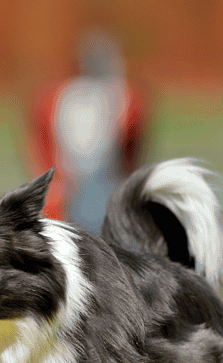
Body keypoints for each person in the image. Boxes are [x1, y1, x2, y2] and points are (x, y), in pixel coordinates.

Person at [26, 30, 149, 231]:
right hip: (107, 196)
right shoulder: (127, 96)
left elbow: (39, 144)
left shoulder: (52, 96)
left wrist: (52, 183)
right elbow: (132, 152)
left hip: (62, 198)